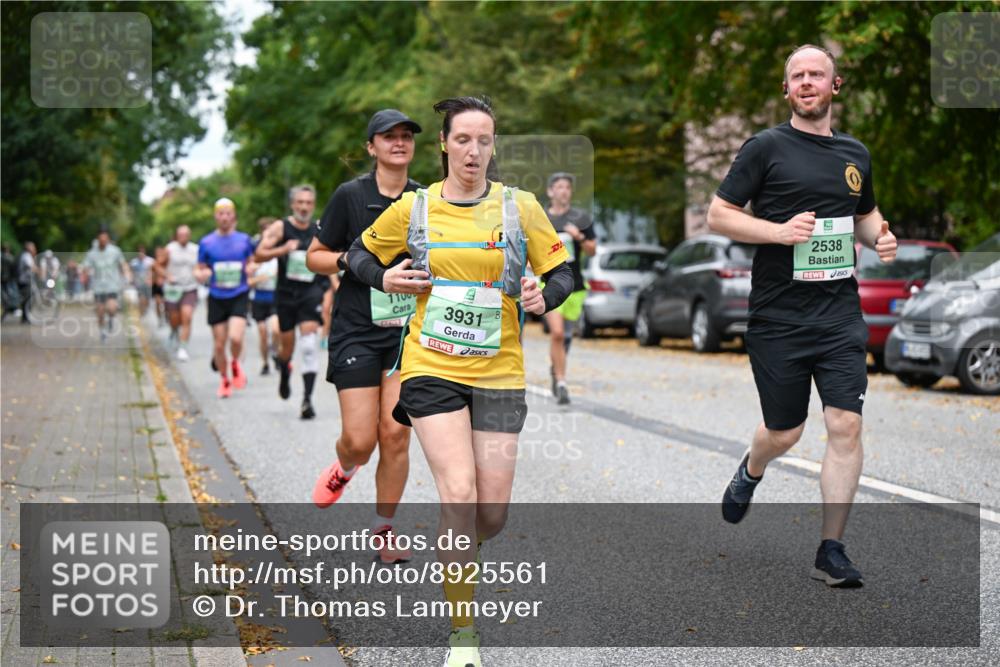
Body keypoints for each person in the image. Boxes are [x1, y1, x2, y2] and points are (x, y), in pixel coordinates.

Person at [343, 96, 573, 667]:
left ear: (494, 147)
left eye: (485, 140)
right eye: (463, 139)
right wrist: (387, 275)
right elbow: (357, 255)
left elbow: (564, 270)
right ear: (445, 144)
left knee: (489, 514)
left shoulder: (519, 207)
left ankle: (458, 540)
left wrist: (549, 294)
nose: (474, 150)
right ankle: (463, 634)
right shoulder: (414, 210)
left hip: (499, 371)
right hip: (430, 367)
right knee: (460, 493)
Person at [707, 45, 897, 588]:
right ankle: (752, 467)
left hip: (839, 314)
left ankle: (830, 549)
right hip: (778, 317)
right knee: (785, 431)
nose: (807, 82)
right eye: (798, 76)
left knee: (846, 423)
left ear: (836, 86)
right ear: (786, 89)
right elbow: (719, 215)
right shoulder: (765, 147)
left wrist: (880, 236)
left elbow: (865, 216)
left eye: (817, 74)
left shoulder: (855, 154)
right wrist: (778, 232)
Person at [306, 108, 424, 564]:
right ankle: (345, 466)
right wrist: (348, 263)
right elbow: (314, 256)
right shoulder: (349, 197)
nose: (399, 143)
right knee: (361, 439)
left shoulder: (427, 200)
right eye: (388, 137)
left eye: (406, 137)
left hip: (406, 333)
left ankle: (385, 529)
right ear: (371, 147)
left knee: (395, 433)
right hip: (356, 327)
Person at [254, 185, 329, 419]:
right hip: (286, 295)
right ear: (292, 204)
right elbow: (258, 254)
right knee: (287, 347)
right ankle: (285, 370)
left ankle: (307, 400)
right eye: (300, 203)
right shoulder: (281, 227)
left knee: (308, 346)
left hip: (310, 293)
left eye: (308, 202)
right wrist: (283, 249)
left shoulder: (319, 228)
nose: (304, 207)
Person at [543, 172, 596, 405]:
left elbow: (593, 250)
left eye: (567, 187)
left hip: (575, 286)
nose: (564, 191)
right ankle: (562, 382)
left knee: (565, 337)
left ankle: (556, 370)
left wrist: (580, 237)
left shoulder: (580, 217)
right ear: (550, 191)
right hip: (549, 283)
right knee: (556, 333)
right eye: (559, 187)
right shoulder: (542, 219)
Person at [196, 198, 256, 398]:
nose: (224, 217)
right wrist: (201, 275)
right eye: (220, 213)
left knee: (236, 337)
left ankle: (235, 362)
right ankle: (224, 379)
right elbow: (200, 268)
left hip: (238, 293)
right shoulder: (206, 242)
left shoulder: (244, 240)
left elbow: (251, 262)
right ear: (216, 216)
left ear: (233, 216)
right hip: (216, 296)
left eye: (228, 213)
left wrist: (251, 268)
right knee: (220, 344)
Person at [82, 228, 130, 340]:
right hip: (98, 287)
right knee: (100, 312)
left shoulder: (115, 251)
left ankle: (111, 319)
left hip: (112, 286)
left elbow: (122, 264)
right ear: (98, 239)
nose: (103, 241)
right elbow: (86, 267)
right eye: (101, 239)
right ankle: (103, 331)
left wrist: (127, 274)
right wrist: (85, 273)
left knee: (112, 308)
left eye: (105, 239)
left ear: (108, 239)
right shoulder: (91, 254)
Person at [249, 216, 280, 375]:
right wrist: (262, 276)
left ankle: (274, 351)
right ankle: (265, 363)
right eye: (266, 231)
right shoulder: (255, 254)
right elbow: (248, 281)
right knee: (262, 333)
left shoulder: (279, 252)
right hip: (259, 297)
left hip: (275, 296)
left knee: (275, 330)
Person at [165, 225, 200, 360]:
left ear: (189, 236)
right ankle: (174, 330)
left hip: (190, 288)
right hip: (173, 289)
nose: (183, 237)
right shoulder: (170, 249)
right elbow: (157, 265)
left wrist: (199, 273)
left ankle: (183, 348)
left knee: (187, 316)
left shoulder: (196, 249)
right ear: (177, 235)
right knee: (174, 318)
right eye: (181, 235)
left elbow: (200, 266)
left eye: (186, 235)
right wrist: (167, 276)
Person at [129, 245, 155, 316]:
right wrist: (131, 279)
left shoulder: (150, 261)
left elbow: (153, 271)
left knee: (147, 299)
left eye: (142, 251)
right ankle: (142, 313)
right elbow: (131, 271)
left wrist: (151, 279)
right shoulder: (134, 262)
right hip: (138, 283)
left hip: (148, 283)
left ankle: (145, 308)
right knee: (141, 298)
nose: (140, 253)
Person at [16, 242, 37, 323]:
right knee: (27, 299)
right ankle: (25, 317)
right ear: (29, 248)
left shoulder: (25, 255)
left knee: (27, 299)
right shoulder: (26, 256)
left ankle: (25, 317)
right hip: (24, 280)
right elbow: (30, 266)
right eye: (33, 247)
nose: (34, 248)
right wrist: (39, 271)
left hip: (24, 280)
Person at [150, 246, 168, 326]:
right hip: (156, 286)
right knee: (157, 303)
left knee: (166, 303)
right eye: (157, 253)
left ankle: (166, 315)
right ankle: (159, 319)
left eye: (160, 252)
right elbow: (152, 274)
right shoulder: (154, 264)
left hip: (165, 286)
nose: (159, 254)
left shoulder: (167, 263)